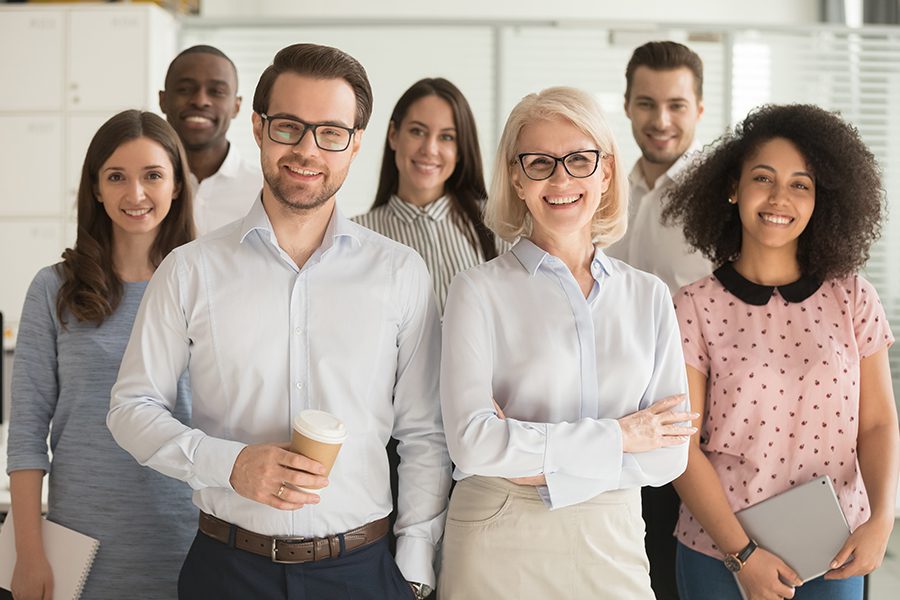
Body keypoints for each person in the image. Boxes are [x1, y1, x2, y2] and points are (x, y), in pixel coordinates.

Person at [108, 43, 450, 600]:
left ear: (356, 143)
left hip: (363, 573)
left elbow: (424, 434)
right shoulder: (190, 269)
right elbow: (131, 408)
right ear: (259, 126)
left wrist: (413, 569)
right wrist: (230, 463)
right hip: (226, 570)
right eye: (289, 127)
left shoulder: (400, 274)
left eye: (331, 132)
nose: (307, 150)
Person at [438, 86, 697, 599]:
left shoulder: (648, 296)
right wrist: (622, 435)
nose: (560, 179)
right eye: (539, 162)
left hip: (612, 540)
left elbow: (670, 456)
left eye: (579, 160)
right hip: (497, 532)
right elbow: (471, 442)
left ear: (605, 171)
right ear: (516, 175)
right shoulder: (476, 291)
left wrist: (541, 465)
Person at [664, 104, 898, 600]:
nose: (779, 198)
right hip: (718, 553)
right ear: (733, 187)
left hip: (834, 551)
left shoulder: (853, 297)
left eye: (800, 184)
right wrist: (742, 556)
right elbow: (680, 446)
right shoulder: (692, 307)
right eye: (763, 178)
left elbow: (877, 423)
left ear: (821, 200)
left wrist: (882, 518)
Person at [7, 109, 195, 600]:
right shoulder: (54, 289)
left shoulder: (206, 288)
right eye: (116, 177)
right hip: (78, 544)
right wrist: (28, 553)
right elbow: (27, 433)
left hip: (190, 538)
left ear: (177, 185)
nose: (135, 194)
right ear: (96, 188)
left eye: (152, 175)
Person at [604, 40, 712, 599]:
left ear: (699, 108)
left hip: (700, 433)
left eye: (676, 104)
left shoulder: (724, 206)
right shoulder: (603, 195)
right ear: (626, 106)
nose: (661, 120)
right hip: (614, 427)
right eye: (647, 103)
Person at [353, 77, 503, 311]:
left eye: (447, 137)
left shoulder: (497, 224)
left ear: (461, 150)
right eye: (417, 131)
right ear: (393, 135)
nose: (429, 149)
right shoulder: (355, 237)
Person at [159, 44, 262, 235]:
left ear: (236, 106)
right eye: (185, 89)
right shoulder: (141, 188)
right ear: (163, 100)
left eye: (217, 92)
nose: (200, 101)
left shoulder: (264, 193)